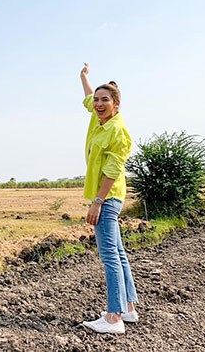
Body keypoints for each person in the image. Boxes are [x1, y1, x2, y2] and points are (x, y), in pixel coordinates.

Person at [79, 62, 138, 335]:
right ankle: (129, 308)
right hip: (108, 197)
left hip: (108, 196)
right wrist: (83, 78)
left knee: (109, 256)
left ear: (117, 104)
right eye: (97, 100)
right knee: (119, 253)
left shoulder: (117, 131)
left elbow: (113, 171)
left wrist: (98, 202)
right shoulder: (98, 118)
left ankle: (114, 318)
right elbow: (88, 97)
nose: (99, 104)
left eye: (105, 100)